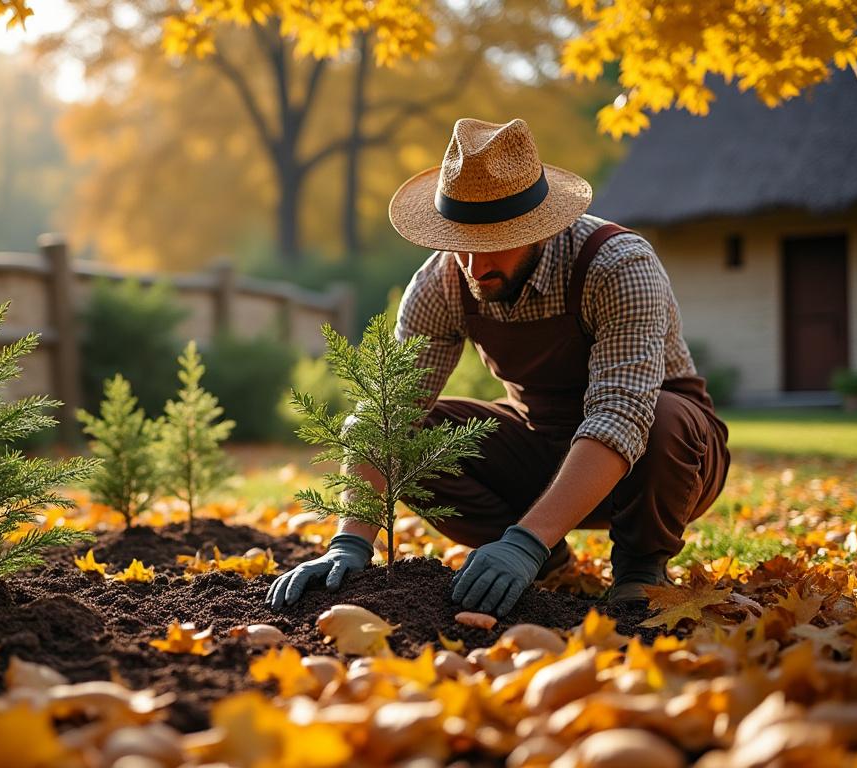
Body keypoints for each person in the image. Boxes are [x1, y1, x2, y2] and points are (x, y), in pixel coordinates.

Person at [267, 117, 730, 616]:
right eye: (460, 240)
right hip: (540, 447)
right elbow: (387, 414)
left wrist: (523, 542)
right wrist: (349, 542)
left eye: (493, 242)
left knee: (661, 419)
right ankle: (546, 561)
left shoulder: (617, 265)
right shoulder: (442, 283)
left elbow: (620, 418)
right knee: (422, 433)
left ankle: (641, 568)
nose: (473, 264)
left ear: (540, 228)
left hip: (663, 466)